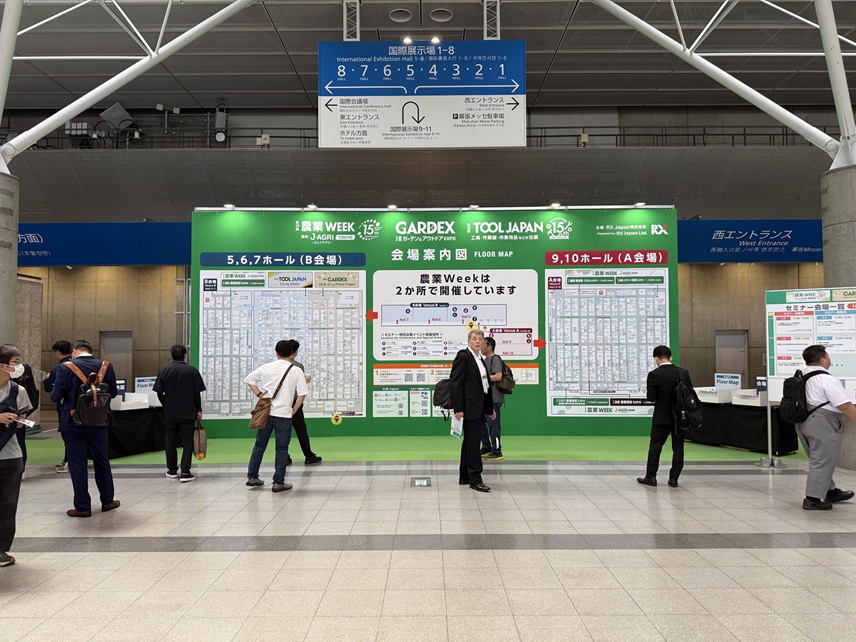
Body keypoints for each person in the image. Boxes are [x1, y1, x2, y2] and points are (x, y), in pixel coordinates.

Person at [49, 339, 120, 517]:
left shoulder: (65, 368)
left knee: (77, 463)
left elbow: (55, 397)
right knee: (101, 460)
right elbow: (113, 392)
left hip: (73, 422)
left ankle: (82, 507)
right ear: (90, 350)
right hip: (100, 421)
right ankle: (108, 500)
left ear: (74, 351)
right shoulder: (106, 366)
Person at [794, 344, 856, 510]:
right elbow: (845, 406)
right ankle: (812, 499)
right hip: (823, 422)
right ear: (822, 359)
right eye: (828, 356)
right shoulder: (827, 380)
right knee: (821, 461)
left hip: (803, 421)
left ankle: (831, 491)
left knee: (821, 459)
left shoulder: (802, 375)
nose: (829, 359)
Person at [244, 339, 308, 492]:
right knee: (282, 448)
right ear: (291, 353)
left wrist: (260, 395)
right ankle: (278, 482)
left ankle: (252, 476)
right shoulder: (296, 370)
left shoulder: (267, 367)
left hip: (266, 414)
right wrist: (294, 409)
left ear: (276, 353)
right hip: (284, 415)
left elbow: (249, 380)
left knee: (259, 445)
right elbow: (302, 394)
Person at [638, 345, 691, 488]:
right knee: (678, 447)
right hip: (680, 417)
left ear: (656, 358)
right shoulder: (683, 373)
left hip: (661, 417)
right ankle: (674, 479)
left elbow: (651, 397)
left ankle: (651, 477)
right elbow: (689, 394)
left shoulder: (654, 375)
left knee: (655, 446)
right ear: (670, 357)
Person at [450, 329, 496, 493]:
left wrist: (489, 408)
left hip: (478, 407)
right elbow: (456, 383)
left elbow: (485, 385)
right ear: (469, 341)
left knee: (469, 442)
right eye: (474, 339)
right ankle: (476, 479)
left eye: (480, 339)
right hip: (469, 408)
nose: (477, 341)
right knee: (474, 443)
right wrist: (458, 408)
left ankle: (465, 476)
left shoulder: (480, 359)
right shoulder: (464, 356)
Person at [153, 344, 207, 482]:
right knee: (187, 441)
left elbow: (159, 392)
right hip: (188, 412)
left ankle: (172, 470)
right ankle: (185, 472)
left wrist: (166, 404)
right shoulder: (191, 370)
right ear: (185, 355)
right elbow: (196, 393)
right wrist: (198, 409)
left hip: (170, 412)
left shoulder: (164, 370)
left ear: (172, 356)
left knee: (170, 441)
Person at [0, 345, 32, 567]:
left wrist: (20, 420)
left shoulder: (18, 391)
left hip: (11, 455)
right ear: (2, 365)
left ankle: (1, 549)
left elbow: (23, 420)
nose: (20, 366)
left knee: (8, 504)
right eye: (16, 362)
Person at [285, 339, 322, 466]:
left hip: (281, 403)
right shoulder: (298, 366)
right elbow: (298, 386)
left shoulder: (276, 365)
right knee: (301, 430)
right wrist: (305, 380)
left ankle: (284, 457)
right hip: (294, 402)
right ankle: (309, 456)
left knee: (283, 431)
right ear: (294, 351)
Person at [42, 340, 72, 473]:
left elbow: (50, 389)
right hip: (83, 407)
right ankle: (71, 459)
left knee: (67, 435)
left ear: (58, 353)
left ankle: (69, 460)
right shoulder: (79, 366)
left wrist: (47, 379)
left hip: (65, 407)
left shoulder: (59, 369)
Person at [10, 355, 38, 480]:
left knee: (18, 441)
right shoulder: (26, 370)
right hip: (20, 412)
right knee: (19, 441)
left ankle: (19, 470)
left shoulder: (22, 373)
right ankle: (20, 470)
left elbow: (31, 393)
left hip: (16, 413)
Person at [480, 336, 505, 461]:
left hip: (494, 399)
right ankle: (486, 447)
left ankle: (497, 451)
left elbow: (498, 376)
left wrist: (483, 378)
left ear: (489, 347)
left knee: (493, 425)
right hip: (485, 398)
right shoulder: (484, 360)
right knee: (480, 423)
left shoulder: (495, 359)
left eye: (482, 345)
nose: (480, 347)